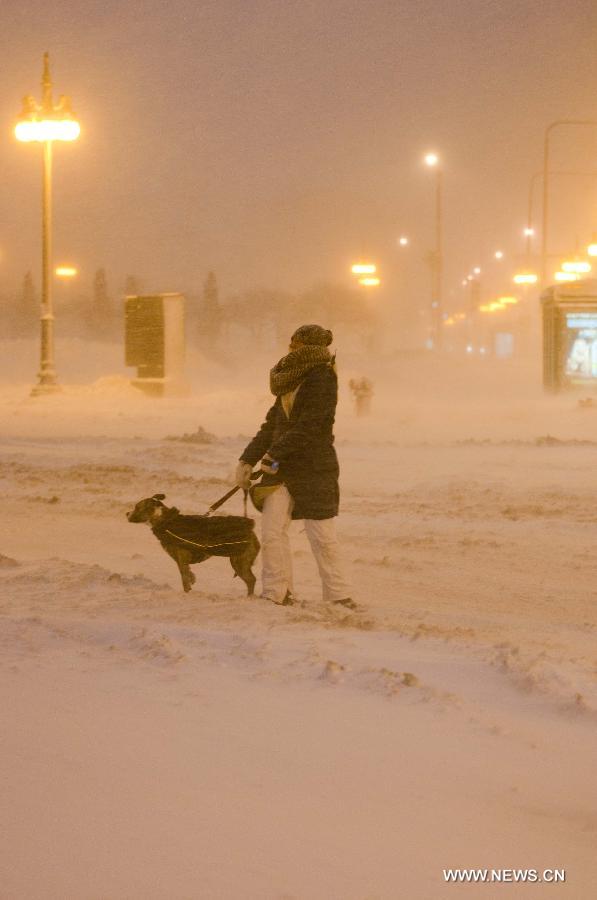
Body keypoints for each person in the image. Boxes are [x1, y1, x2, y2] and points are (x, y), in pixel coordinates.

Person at [235, 324, 355, 609]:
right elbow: (272, 426)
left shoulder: (322, 378)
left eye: (296, 343)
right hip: (282, 469)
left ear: (309, 348)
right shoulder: (290, 380)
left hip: (314, 467)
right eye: (291, 341)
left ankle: (339, 595)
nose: (290, 346)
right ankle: (277, 592)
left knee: (321, 535)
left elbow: (310, 426)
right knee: (272, 532)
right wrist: (247, 459)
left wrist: (272, 456)